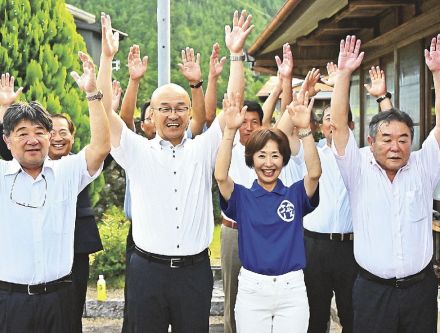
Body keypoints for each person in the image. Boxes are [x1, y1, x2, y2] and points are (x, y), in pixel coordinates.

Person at [97, 11, 253, 332]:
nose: (173, 115)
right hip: (146, 271)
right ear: (151, 114)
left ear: (189, 112)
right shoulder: (136, 151)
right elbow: (103, 112)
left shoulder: (203, 148)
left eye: (180, 107)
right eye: (164, 108)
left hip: (194, 273)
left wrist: (236, 54)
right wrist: (106, 56)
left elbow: (234, 104)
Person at [331, 34, 440, 333]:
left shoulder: (423, 166)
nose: (395, 147)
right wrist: (344, 74)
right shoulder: (357, 168)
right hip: (372, 291)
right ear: (370, 141)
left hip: (420, 290)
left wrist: (437, 74)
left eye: (403, 139)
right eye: (387, 139)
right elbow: (338, 125)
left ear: (412, 142)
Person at [0, 52, 110, 332]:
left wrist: (92, 94)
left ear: (50, 137)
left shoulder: (67, 172)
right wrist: (4, 109)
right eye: (22, 133)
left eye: (39, 131)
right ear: (8, 141)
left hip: (60, 301)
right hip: (10, 302)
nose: (32, 140)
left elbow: (100, 147)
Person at [215, 90, 321, 333]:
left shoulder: (294, 194)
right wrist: (230, 131)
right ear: (252, 161)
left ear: (283, 160)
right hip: (253, 289)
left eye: (275, 156)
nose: (269, 163)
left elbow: (314, 173)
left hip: (292, 288)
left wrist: (305, 130)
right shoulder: (242, 197)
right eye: (261, 156)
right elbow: (221, 176)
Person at [302, 105, 357, 333]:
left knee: (352, 314)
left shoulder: (362, 158)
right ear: (321, 126)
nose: (333, 123)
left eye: (340, 118)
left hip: (350, 247)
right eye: (327, 118)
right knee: (314, 315)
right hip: (314, 247)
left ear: (350, 126)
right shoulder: (309, 154)